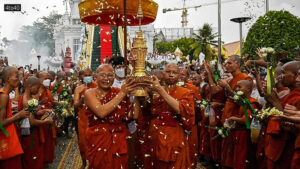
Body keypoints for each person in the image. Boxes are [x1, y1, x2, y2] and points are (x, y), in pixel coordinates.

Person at [84, 64, 141, 169]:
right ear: (95, 76)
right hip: (98, 138)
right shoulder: (89, 93)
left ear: (114, 77)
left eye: (110, 75)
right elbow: (101, 112)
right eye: (102, 75)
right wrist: (123, 93)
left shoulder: (118, 92)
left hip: (118, 138)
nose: (106, 78)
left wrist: (137, 95)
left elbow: (133, 115)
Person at [146, 63, 195, 169]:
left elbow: (179, 109)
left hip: (174, 133)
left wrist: (160, 90)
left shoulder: (185, 92)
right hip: (155, 133)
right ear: (163, 73)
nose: (171, 75)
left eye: (174, 72)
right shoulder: (153, 90)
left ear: (179, 76)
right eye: (168, 72)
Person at [218, 55, 253, 169]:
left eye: (229, 63)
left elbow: (243, 99)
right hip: (228, 115)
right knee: (227, 150)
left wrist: (227, 87)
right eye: (226, 63)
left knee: (236, 153)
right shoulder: (231, 79)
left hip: (236, 115)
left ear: (238, 64)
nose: (226, 65)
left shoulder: (245, 78)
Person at [264, 61, 300, 169]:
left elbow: (291, 128)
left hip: (285, 148)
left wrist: (275, 103)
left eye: (284, 73)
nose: (280, 77)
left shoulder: (297, 97)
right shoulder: (286, 93)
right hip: (274, 146)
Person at [18, 76, 53, 169]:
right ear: (30, 86)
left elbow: (32, 113)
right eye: (37, 88)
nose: (38, 91)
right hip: (30, 135)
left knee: (35, 159)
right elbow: (32, 122)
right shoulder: (27, 101)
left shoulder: (26, 97)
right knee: (33, 161)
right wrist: (46, 121)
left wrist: (42, 111)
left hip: (32, 133)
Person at [226, 80, 261, 169]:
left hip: (245, 135)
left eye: (239, 87)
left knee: (243, 158)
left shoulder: (252, 102)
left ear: (249, 89)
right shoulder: (242, 101)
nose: (237, 89)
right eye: (236, 87)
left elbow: (248, 120)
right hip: (238, 134)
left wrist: (233, 118)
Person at [0, 66, 29, 169]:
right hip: (6, 139)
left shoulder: (5, 95)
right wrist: (18, 115)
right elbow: (1, 123)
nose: (19, 78)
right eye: (17, 76)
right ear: (8, 79)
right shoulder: (3, 96)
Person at [178, 67, 202, 168]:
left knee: (191, 148)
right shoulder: (167, 88)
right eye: (178, 74)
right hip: (176, 124)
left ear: (187, 77)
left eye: (182, 74)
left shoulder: (192, 88)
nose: (179, 76)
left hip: (191, 123)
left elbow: (200, 104)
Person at [74, 68, 97, 169]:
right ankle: (84, 162)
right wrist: (82, 99)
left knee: (95, 140)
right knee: (83, 141)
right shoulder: (78, 89)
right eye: (85, 75)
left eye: (89, 74)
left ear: (92, 75)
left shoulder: (97, 87)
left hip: (95, 116)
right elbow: (75, 105)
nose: (87, 76)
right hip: (83, 117)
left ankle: (95, 162)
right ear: (81, 77)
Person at [37, 72, 56, 165]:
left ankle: (47, 159)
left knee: (49, 140)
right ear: (39, 80)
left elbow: (51, 102)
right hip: (40, 120)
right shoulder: (36, 91)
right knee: (42, 140)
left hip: (49, 117)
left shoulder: (47, 90)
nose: (47, 80)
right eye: (45, 78)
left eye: (48, 78)